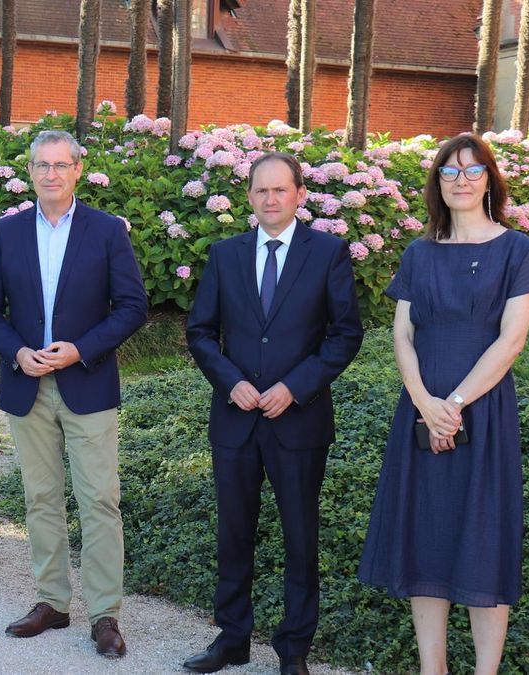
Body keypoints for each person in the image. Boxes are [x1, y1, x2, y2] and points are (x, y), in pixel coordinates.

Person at [358, 134, 529, 674]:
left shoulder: (519, 250)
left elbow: (511, 340)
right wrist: (426, 403)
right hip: (421, 413)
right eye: (449, 172)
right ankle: (432, 669)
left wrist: (457, 402)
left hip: (484, 414)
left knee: (483, 539)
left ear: (490, 180)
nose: (461, 181)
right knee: (427, 537)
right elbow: (403, 335)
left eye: (472, 171)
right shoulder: (419, 253)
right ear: (437, 183)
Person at [184, 152, 363, 675]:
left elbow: (345, 334)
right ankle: (232, 639)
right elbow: (200, 331)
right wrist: (231, 381)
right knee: (234, 533)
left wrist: (296, 386)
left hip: (299, 421)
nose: (270, 199)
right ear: (249, 198)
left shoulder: (328, 253)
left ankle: (293, 651)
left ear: (300, 195)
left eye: (280, 190)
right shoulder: (225, 254)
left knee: (299, 538)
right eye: (260, 191)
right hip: (235, 421)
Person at [0, 129, 147, 658]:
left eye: (60, 165)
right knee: (41, 497)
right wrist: (17, 352)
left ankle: (105, 614)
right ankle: (52, 600)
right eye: (41, 165)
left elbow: (132, 306)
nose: (51, 173)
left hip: (87, 382)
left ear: (77, 169)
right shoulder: (8, 232)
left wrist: (80, 350)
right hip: (28, 384)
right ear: (30, 172)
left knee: (98, 500)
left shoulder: (107, 231)